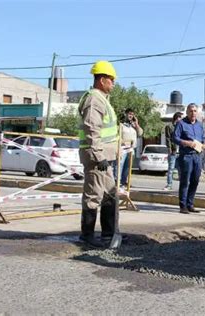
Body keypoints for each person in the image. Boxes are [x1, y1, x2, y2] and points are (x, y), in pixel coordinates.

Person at [77, 60, 122, 249]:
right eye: (111, 80)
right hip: (97, 157)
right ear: (102, 80)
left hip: (103, 157)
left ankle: (109, 234)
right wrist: (98, 155)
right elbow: (91, 128)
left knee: (110, 194)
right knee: (93, 195)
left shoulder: (101, 99)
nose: (113, 83)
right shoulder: (94, 99)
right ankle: (87, 235)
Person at [173, 103, 205, 214]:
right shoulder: (181, 124)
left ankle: (190, 204)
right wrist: (186, 142)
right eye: (191, 111)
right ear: (187, 112)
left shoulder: (200, 125)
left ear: (197, 112)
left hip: (197, 156)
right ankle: (183, 206)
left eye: (195, 111)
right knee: (185, 181)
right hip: (186, 156)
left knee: (195, 180)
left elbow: (203, 139)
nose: (193, 113)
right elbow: (175, 138)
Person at [113, 108, 143, 188]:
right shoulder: (121, 125)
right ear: (125, 114)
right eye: (129, 114)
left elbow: (140, 133)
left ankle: (123, 183)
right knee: (119, 166)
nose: (131, 116)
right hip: (122, 149)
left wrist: (136, 124)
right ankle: (116, 183)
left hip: (131, 150)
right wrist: (123, 143)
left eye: (132, 114)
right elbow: (117, 137)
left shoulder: (133, 126)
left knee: (127, 168)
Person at [164, 112, 183, 190]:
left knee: (181, 170)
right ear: (177, 118)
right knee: (171, 169)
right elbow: (168, 138)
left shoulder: (182, 127)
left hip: (181, 151)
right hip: (173, 151)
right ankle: (169, 185)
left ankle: (182, 186)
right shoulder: (169, 126)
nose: (181, 120)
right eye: (180, 118)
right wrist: (169, 149)